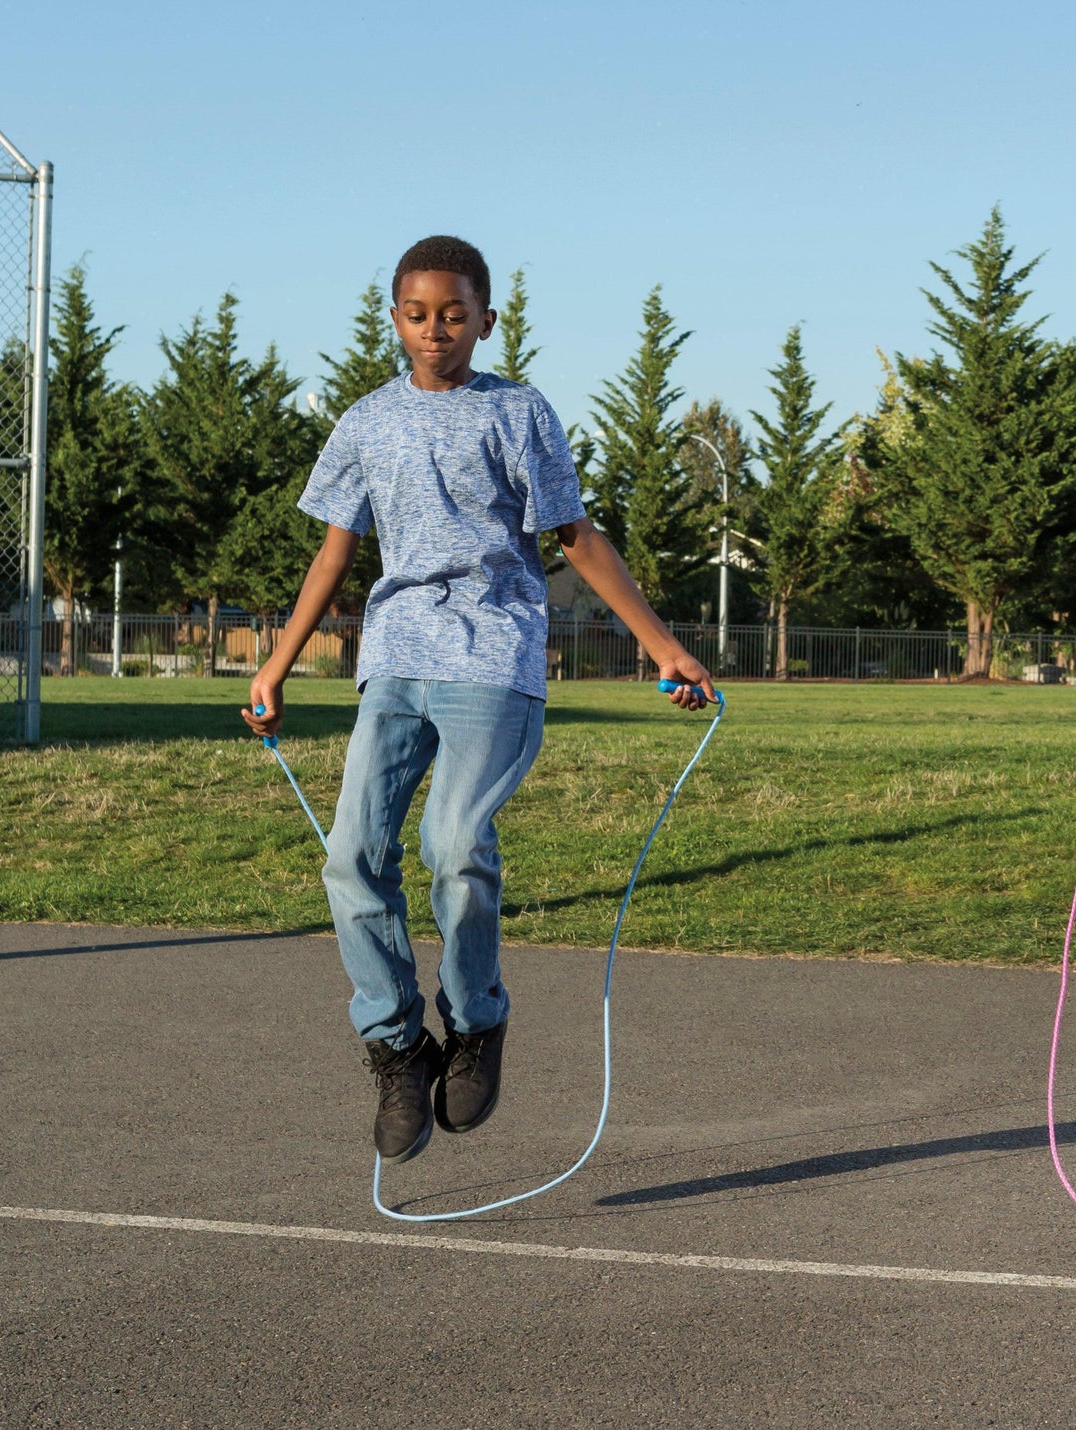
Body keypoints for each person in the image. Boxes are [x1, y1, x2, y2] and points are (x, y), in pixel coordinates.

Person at [241, 235, 713, 1163]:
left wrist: (664, 646)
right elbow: (335, 554)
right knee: (350, 858)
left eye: (454, 315)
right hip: (394, 660)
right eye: (419, 315)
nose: (436, 331)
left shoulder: (518, 412)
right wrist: (275, 665)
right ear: (395, 319)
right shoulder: (367, 422)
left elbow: (576, 536)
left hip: (493, 656)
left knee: (453, 844)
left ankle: (477, 1023)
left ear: (485, 321)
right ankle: (396, 1045)